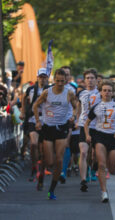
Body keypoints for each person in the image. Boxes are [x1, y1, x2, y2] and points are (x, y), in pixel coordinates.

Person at [32, 68, 78, 199]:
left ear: (66, 81)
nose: (59, 83)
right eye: (57, 81)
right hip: (48, 128)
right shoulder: (47, 92)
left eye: (62, 81)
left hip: (62, 128)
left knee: (59, 160)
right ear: (54, 80)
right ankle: (41, 175)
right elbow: (35, 105)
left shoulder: (69, 93)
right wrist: (37, 121)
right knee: (49, 161)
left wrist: (73, 116)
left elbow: (76, 106)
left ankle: (51, 190)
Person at [84, 79, 115, 202]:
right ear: (100, 92)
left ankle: (107, 171)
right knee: (102, 165)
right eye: (104, 90)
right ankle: (104, 192)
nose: (107, 93)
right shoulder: (96, 107)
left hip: (113, 137)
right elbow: (86, 123)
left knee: (113, 169)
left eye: (109, 91)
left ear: (113, 93)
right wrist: (87, 135)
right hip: (100, 136)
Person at [20, 68, 49, 182]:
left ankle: (42, 169)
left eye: (44, 77)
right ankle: (34, 166)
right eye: (41, 77)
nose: (42, 79)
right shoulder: (31, 89)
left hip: (46, 120)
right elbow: (23, 99)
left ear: (47, 78)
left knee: (44, 148)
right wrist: (23, 111)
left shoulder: (51, 89)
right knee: (33, 143)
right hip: (33, 118)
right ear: (37, 77)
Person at [77, 68, 101, 192]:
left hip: (97, 127)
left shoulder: (101, 94)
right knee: (84, 152)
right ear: (84, 80)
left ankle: (93, 167)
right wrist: (76, 120)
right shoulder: (81, 93)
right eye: (88, 78)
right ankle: (83, 180)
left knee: (95, 154)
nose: (90, 80)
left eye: (92, 78)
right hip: (83, 125)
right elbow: (78, 108)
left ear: (96, 80)